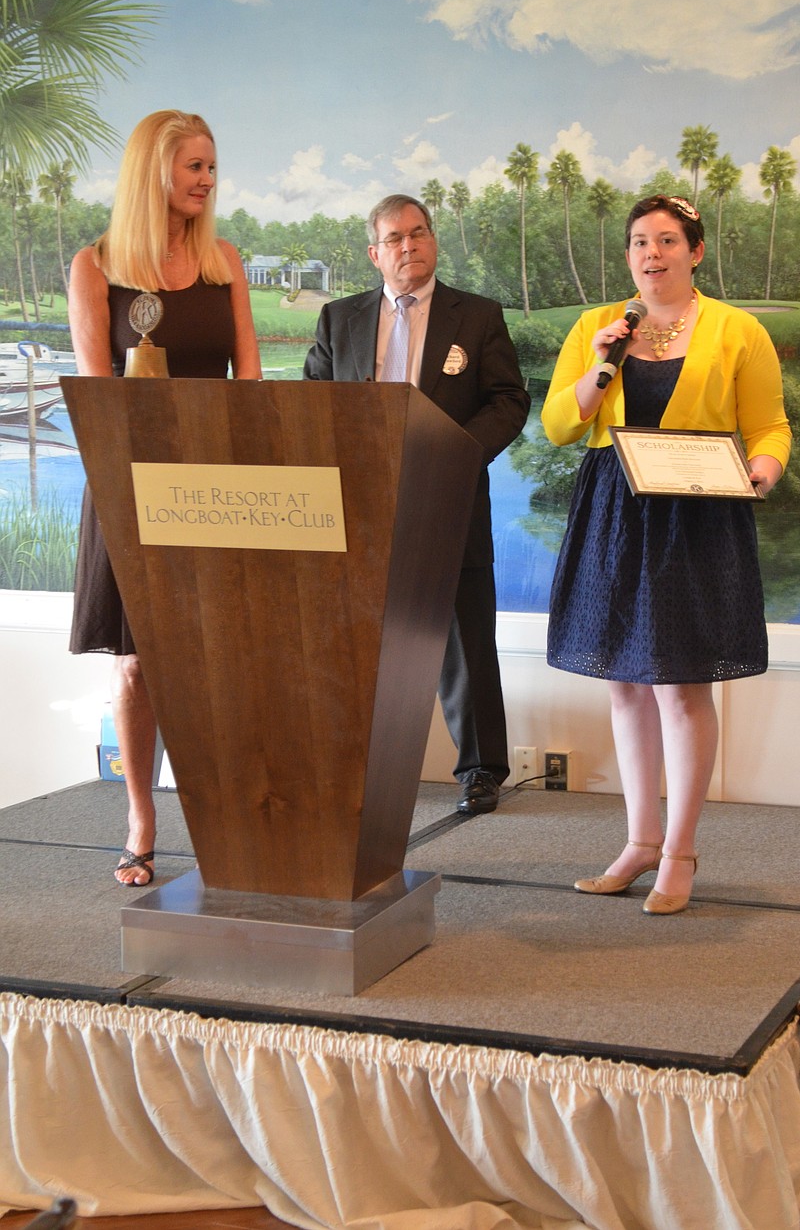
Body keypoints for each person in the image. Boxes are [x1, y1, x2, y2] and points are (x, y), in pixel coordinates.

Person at [542, 194, 791, 914]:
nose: (652, 254)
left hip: (698, 512)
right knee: (624, 680)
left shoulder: (738, 331)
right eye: (639, 242)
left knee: (682, 684)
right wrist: (599, 368)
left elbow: (770, 426)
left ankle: (680, 850)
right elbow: (560, 423)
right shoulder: (598, 327)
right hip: (614, 510)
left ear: (696, 251)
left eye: (667, 241)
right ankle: (639, 840)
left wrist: (763, 470)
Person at [68, 110, 262, 885]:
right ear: (154, 170)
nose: (207, 180)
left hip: (219, 486)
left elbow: (249, 381)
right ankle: (142, 819)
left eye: (212, 166)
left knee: (223, 662)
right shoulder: (97, 266)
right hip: (131, 488)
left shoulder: (225, 260)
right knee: (138, 667)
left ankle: (232, 819)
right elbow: (95, 393)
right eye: (194, 167)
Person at [304, 194, 530, 815]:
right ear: (375, 253)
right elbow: (313, 401)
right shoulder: (338, 318)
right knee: (354, 639)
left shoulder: (477, 316)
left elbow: (509, 401)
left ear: (433, 241)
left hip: (448, 493)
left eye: (420, 232)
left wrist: (456, 454)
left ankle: (482, 770)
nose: (410, 245)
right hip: (359, 503)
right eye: (396, 238)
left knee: (465, 635)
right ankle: (351, 765)